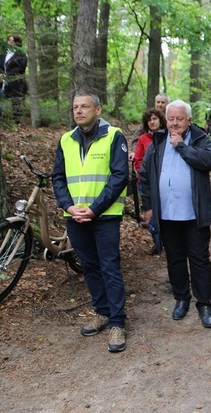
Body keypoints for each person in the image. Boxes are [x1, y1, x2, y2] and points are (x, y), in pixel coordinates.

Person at [51, 92, 129, 353]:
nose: (79, 111)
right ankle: (102, 312)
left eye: (84, 106)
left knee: (109, 267)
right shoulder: (66, 140)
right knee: (90, 267)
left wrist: (95, 209)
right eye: (75, 107)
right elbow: (58, 177)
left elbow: (119, 177)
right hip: (74, 216)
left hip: (104, 216)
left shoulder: (113, 136)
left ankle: (117, 323)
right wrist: (67, 205)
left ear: (98, 109)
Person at [139, 100, 211, 329]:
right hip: (166, 213)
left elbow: (207, 161)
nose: (174, 123)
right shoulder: (158, 140)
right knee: (174, 259)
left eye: (179, 119)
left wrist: (182, 146)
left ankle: (204, 304)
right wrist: (148, 206)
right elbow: (144, 175)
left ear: (189, 121)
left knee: (199, 259)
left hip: (194, 214)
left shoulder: (201, 139)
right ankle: (181, 299)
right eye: (171, 118)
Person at [133, 108, 166, 255]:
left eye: (155, 119)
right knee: (150, 213)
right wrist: (147, 174)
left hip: (164, 181)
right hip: (146, 181)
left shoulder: (167, 137)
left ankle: (168, 241)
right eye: (149, 120)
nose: (152, 122)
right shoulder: (143, 139)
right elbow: (138, 161)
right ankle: (157, 243)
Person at [0, 33, 28, 123]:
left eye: (12, 41)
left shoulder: (21, 54)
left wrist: (8, 74)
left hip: (16, 82)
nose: (9, 43)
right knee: (0, 100)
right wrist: (0, 75)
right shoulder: (3, 54)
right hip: (3, 82)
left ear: (17, 42)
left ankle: (16, 122)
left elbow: (21, 67)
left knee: (16, 103)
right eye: (9, 40)